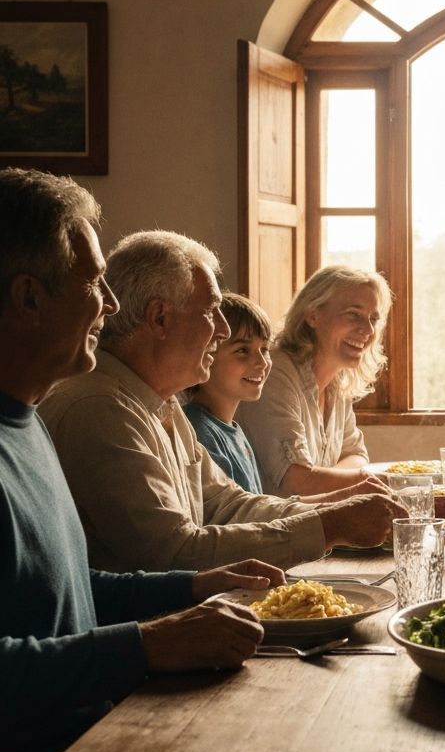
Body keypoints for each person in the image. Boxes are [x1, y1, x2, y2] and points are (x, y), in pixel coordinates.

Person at [0, 168, 278, 752]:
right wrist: (150, 644)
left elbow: (63, 593)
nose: (107, 307)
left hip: (88, 749)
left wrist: (191, 589)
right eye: (92, 284)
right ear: (28, 298)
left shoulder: (26, 420)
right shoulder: (77, 410)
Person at [40, 232, 404, 574]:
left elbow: (230, 505)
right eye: (211, 311)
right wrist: (330, 525)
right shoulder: (101, 408)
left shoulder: (159, 405)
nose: (223, 329)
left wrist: (336, 512)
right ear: (160, 318)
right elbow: (174, 552)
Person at [236, 265, 392, 497]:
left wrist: (327, 480)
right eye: (353, 314)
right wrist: (373, 481)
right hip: (274, 529)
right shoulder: (274, 372)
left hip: (315, 522)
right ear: (312, 315)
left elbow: (357, 455)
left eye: (374, 318)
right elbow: (296, 483)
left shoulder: (338, 380)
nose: (367, 329)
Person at [183, 291, 273, 494]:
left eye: (265, 349)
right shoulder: (197, 433)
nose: (261, 362)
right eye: (242, 350)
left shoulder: (233, 430)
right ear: (207, 354)